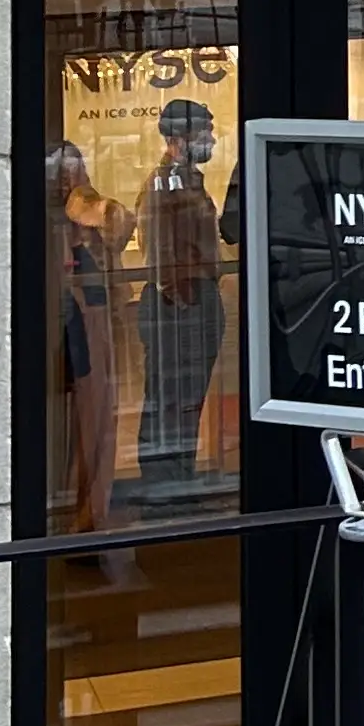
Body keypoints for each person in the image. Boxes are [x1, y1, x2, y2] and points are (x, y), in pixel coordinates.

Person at [133, 96, 225, 499]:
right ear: (180, 137)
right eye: (204, 131)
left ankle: (180, 481)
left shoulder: (189, 180)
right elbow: (160, 252)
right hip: (177, 305)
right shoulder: (162, 183)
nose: (212, 138)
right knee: (169, 398)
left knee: (189, 398)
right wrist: (184, 299)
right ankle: (162, 487)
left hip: (195, 299)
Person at [47, 140, 124, 536]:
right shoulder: (48, 224)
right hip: (64, 331)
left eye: (72, 174)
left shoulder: (93, 212)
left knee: (97, 425)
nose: (66, 184)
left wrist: (87, 212)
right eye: (60, 176)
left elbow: (118, 225)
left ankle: (90, 516)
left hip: (93, 328)